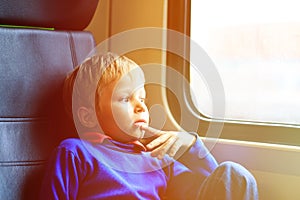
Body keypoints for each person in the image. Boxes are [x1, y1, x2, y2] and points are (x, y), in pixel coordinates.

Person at [39, 52, 259, 199]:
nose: (141, 107)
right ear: (88, 118)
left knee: (235, 174)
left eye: (142, 99)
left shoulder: (157, 158)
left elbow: (215, 190)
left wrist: (190, 145)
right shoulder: (76, 153)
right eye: (126, 99)